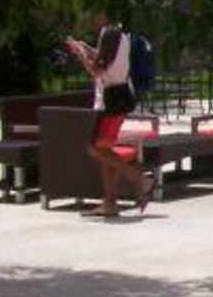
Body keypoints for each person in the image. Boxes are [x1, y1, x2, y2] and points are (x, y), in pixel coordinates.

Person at [62, 12, 151, 218]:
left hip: (109, 102)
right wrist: (87, 48)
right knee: (105, 150)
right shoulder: (121, 35)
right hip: (121, 98)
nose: (90, 17)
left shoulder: (108, 34)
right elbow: (109, 60)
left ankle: (140, 179)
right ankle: (110, 202)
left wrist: (81, 54)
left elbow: (97, 71)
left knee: (94, 148)